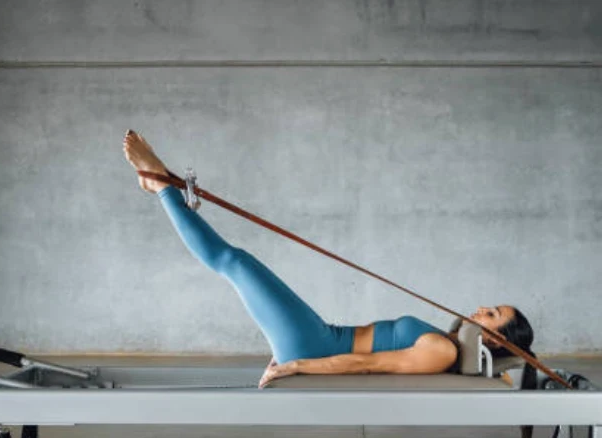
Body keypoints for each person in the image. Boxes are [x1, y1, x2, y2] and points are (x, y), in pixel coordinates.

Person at [122, 131, 537, 396]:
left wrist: (296, 364)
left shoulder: (441, 350)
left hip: (313, 345)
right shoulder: (447, 342)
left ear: (498, 340)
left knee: (233, 261)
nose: (482, 309)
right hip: (321, 333)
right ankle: (160, 185)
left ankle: (161, 185)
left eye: (493, 315)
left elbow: (366, 364)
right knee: (235, 262)